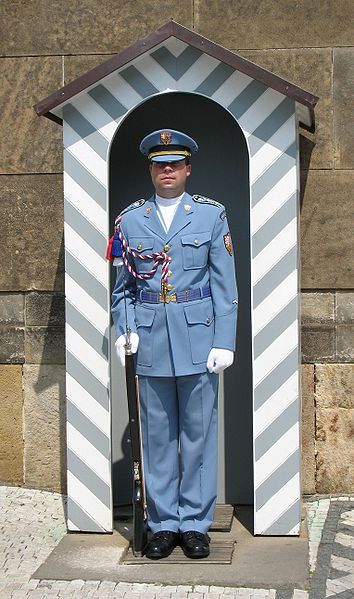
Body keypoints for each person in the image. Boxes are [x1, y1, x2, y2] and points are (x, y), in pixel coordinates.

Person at [109, 129, 238, 559]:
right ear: (150, 169)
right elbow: (122, 288)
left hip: (200, 342)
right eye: (159, 163)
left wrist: (225, 340)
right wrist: (124, 327)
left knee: (199, 434)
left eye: (175, 163)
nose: (167, 170)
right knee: (158, 436)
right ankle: (163, 522)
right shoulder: (130, 220)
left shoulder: (210, 216)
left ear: (187, 168)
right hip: (149, 342)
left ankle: (195, 524)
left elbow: (224, 285)